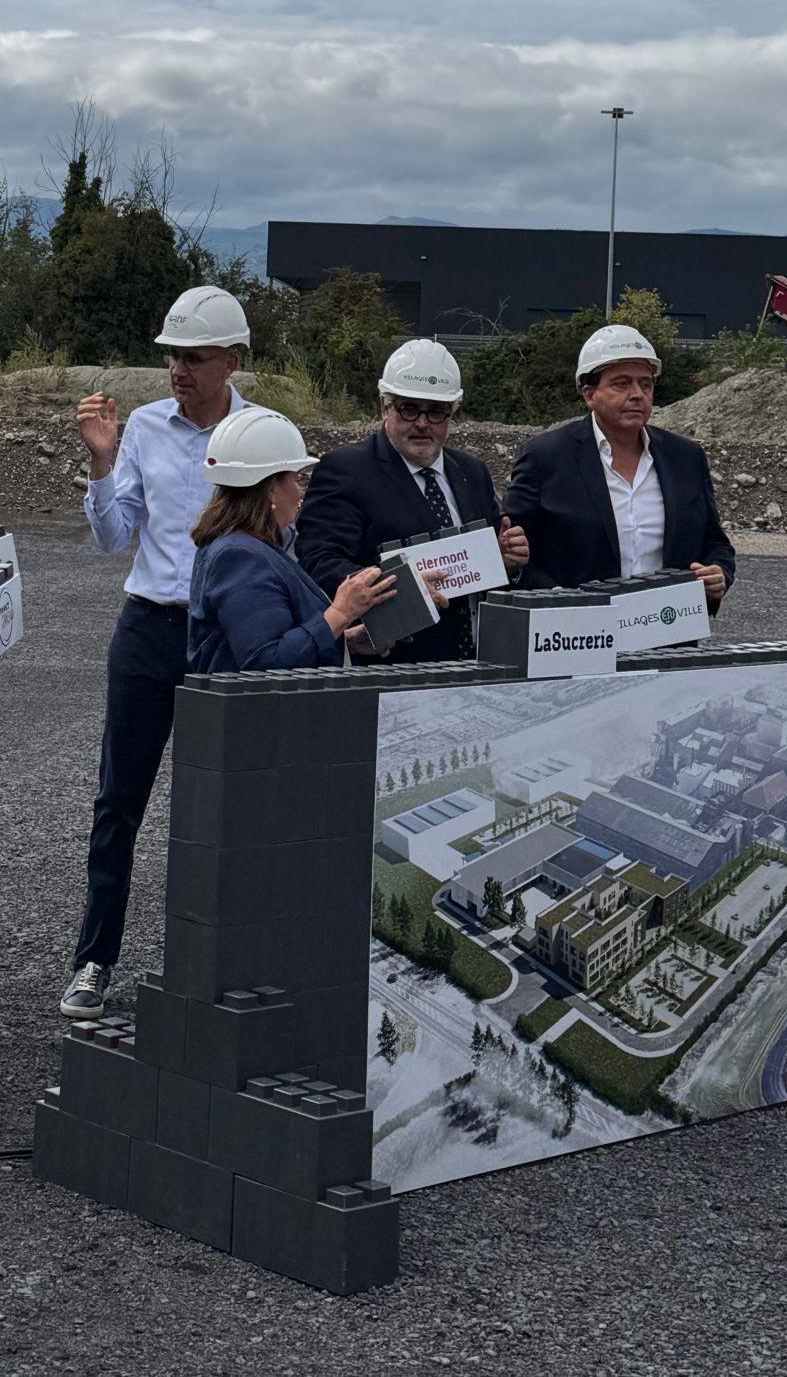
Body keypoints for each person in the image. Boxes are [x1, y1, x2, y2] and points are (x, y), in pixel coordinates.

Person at [61, 286, 251, 1020]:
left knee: (229, 802)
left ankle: (224, 962)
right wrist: (103, 465)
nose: (178, 368)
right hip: (149, 626)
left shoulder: (263, 431)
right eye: (172, 355)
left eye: (194, 357)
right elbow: (114, 538)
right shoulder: (141, 427)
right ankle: (93, 961)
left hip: (228, 633)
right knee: (119, 803)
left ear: (231, 359)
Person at [295, 338, 529, 661]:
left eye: (435, 412)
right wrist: (403, 589)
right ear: (384, 408)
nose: (421, 423)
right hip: (394, 668)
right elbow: (320, 562)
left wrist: (504, 560)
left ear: (451, 414)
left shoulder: (472, 473)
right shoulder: (346, 471)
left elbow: (484, 570)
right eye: (409, 409)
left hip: (474, 665)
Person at [502, 324, 735, 605]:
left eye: (645, 384)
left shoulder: (685, 458)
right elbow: (513, 553)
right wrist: (558, 600)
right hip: (579, 634)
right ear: (589, 394)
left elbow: (715, 543)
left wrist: (718, 574)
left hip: (668, 631)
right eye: (621, 383)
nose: (637, 394)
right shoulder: (546, 457)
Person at [188, 407, 422, 672]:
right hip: (253, 714)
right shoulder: (240, 557)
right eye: (295, 478)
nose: (300, 491)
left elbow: (270, 640)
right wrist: (341, 612)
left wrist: (344, 641)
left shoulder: (248, 549)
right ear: (272, 489)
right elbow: (264, 663)